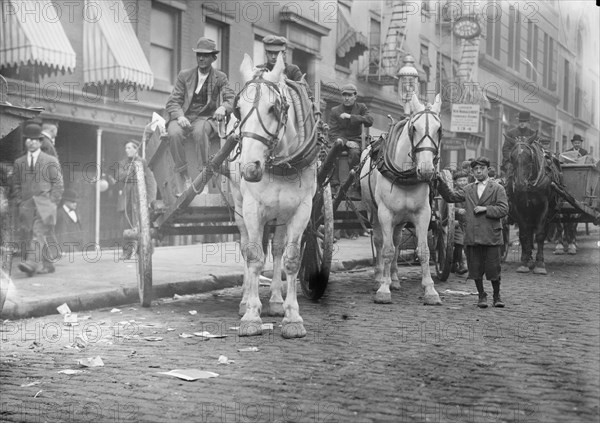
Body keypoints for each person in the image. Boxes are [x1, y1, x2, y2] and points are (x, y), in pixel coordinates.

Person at [165, 37, 235, 195]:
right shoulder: (185, 75)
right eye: (199, 55)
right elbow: (172, 101)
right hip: (184, 116)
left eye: (205, 55)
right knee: (174, 133)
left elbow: (231, 98)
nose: (201, 58)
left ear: (213, 58)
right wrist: (180, 116)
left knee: (200, 131)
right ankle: (184, 174)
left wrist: (223, 107)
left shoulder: (220, 77)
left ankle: (204, 177)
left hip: (206, 118)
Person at [437, 157, 509, 308]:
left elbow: (504, 209)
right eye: (475, 169)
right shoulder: (468, 189)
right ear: (472, 172)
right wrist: (440, 183)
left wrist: (486, 209)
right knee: (475, 268)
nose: (478, 171)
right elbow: (451, 197)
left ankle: (497, 295)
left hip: (491, 235)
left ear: (487, 170)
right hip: (473, 235)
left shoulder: (497, 188)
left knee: (493, 268)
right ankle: (481, 296)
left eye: (481, 169)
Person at [13, 120, 64, 276]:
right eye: (29, 139)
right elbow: (16, 185)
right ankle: (48, 264)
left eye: (35, 139)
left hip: (45, 203)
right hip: (26, 205)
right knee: (29, 233)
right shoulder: (19, 162)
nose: (32, 142)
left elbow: (58, 184)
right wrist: (19, 201)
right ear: (25, 141)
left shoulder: (50, 160)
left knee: (38, 232)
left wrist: (52, 202)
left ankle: (31, 264)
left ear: (41, 142)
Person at [328, 83, 373, 240]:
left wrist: (352, 117)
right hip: (340, 139)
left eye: (349, 95)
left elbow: (369, 120)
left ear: (355, 96)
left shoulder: (361, 107)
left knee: (356, 154)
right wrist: (345, 142)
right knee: (332, 152)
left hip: (356, 140)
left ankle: (355, 182)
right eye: (344, 95)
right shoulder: (335, 111)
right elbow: (332, 133)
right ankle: (333, 181)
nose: (346, 98)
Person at [116, 140, 157, 259]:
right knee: (124, 225)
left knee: (141, 223)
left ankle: (143, 249)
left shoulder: (144, 162)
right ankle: (126, 252)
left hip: (139, 199)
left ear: (136, 149)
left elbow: (150, 181)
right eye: (126, 148)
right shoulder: (122, 163)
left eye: (129, 148)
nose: (126, 150)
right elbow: (120, 176)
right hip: (125, 200)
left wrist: (150, 200)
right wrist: (133, 169)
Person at [451, 171, 469, 275]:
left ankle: (454, 263)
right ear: (455, 182)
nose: (462, 182)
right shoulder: (452, 192)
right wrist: (458, 210)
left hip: (469, 221)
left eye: (464, 180)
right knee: (459, 241)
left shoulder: (471, 191)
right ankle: (461, 262)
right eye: (460, 180)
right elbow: (448, 208)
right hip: (455, 221)